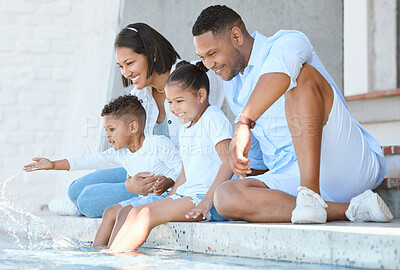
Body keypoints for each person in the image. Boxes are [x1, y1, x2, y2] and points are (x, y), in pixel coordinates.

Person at [191, 5, 393, 224]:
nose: (209, 65)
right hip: (289, 176)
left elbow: (280, 75)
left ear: (236, 36)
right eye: (202, 57)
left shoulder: (287, 42)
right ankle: (350, 210)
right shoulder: (234, 85)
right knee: (226, 196)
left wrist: (244, 122)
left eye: (212, 54)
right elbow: (256, 158)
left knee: (301, 77)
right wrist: (243, 173)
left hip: (342, 163)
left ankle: (310, 194)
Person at [67, 22, 225, 218]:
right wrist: (130, 184)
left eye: (130, 63)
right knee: (74, 189)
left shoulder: (194, 76)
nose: (126, 73)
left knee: (87, 200)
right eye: (121, 66)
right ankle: (90, 203)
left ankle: (86, 207)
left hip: (176, 178)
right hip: (148, 170)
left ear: (153, 53)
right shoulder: (140, 96)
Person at [105, 61, 233, 253]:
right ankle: (110, 256)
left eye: (179, 101)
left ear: (200, 95)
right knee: (134, 212)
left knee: (147, 214)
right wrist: (171, 197)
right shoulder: (187, 126)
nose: (173, 108)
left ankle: (117, 258)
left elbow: (229, 162)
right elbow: (185, 171)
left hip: (205, 199)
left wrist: (207, 200)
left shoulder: (213, 118)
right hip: (186, 194)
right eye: (170, 102)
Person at [24, 95, 182, 246]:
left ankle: (114, 251)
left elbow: (182, 169)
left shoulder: (158, 144)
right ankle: (98, 253)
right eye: (106, 130)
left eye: (112, 129)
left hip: (166, 198)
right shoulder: (121, 153)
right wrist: (53, 164)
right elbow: (89, 160)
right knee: (110, 212)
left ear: (133, 126)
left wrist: (169, 181)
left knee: (123, 213)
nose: (108, 135)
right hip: (144, 199)